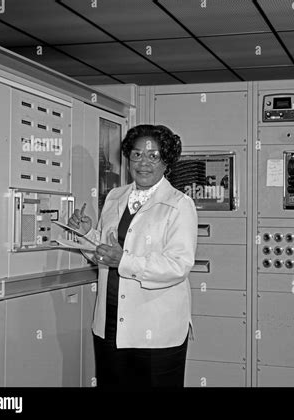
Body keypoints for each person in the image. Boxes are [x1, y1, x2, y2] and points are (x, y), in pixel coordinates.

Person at [68, 124, 198, 388]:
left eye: (154, 156)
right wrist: (87, 234)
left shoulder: (179, 204)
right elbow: (104, 255)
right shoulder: (115, 196)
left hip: (156, 327)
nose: (143, 163)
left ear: (166, 161)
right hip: (111, 320)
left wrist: (124, 261)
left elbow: (178, 265)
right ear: (128, 159)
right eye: (137, 155)